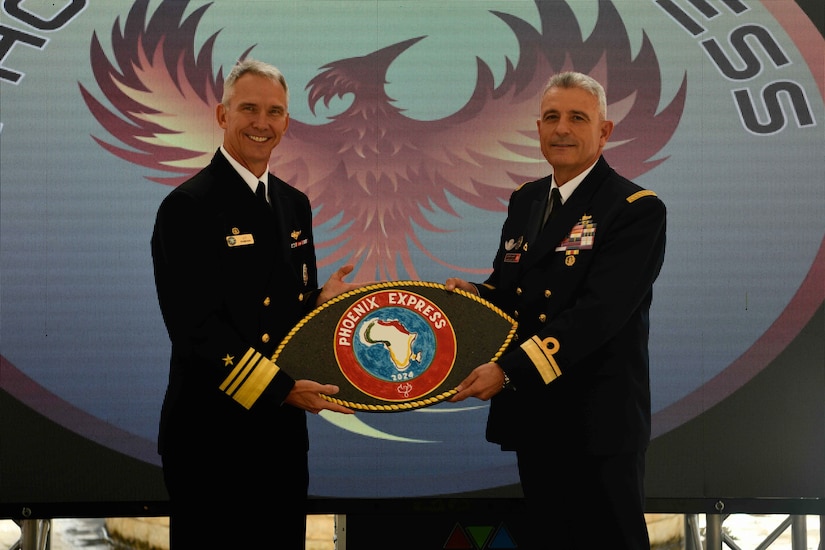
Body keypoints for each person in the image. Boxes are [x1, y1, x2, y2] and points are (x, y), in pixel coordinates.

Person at [445, 71, 666, 549]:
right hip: (537, 417)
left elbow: (597, 315)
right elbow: (514, 292)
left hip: (597, 422)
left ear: (604, 132)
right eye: (551, 117)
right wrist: (474, 297)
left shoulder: (635, 208)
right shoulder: (526, 200)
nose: (561, 128)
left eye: (577, 118)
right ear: (538, 129)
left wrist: (508, 370)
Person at [151, 58, 360, 549]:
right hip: (210, 437)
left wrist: (319, 305)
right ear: (222, 115)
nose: (261, 123)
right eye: (249, 109)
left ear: (287, 122)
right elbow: (195, 327)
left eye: (274, 112)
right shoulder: (189, 207)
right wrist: (281, 389)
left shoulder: (293, 203)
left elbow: (276, 314)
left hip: (280, 438)